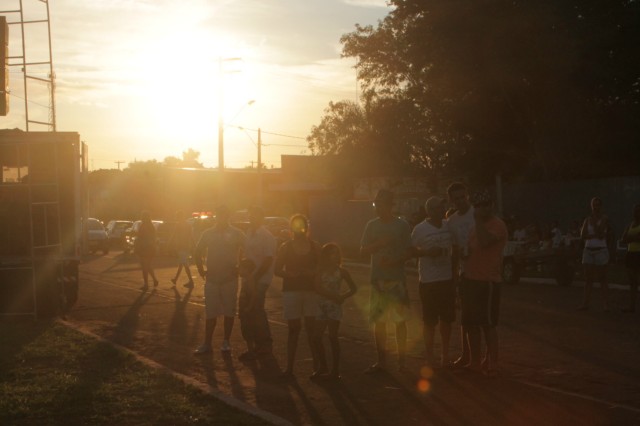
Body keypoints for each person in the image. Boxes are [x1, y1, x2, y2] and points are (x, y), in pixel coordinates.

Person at [360, 189, 412, 373]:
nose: (378, 208)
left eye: (381, 204)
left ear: (390, 205)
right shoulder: (371, 225)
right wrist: (378, 244)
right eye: (376, 204)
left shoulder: (402, 225)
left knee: (400, 321)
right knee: (379, 322)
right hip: (378, 280)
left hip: (397, 280)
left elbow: (410, 251)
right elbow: (363, 250)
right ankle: (381, 361)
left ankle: (402, 361)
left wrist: (395, 261)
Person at [461, 189, 508, 377]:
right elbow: (471, 249)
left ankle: (493, 363)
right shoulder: (474, 227)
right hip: (470, 280)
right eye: (479, 205)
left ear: (492, 205)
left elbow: (485, 242)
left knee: (488, 324)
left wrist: (478, 220)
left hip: (487, 281)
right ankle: (475, 362)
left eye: (486, 204)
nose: (484, 208)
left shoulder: (498, 225)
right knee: (471, 324)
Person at [193, 205, 246, 355]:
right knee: (211, 313)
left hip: (230, 279)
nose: (222, 218)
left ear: (228, 216)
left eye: (224, 215)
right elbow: (197, 251)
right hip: (212, 279)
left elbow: (248, 250)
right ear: (216, 216)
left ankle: (226, 341)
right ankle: (207, 343)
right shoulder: (208, 233)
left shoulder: (237, 233)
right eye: (219, 215)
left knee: (229, 312)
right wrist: (200, 270)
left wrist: (240, 267)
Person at [274, 214, 321, 378]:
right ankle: (289, 367)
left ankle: (317, 366)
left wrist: (312, 272)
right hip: (292, 291)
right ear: (291, 229)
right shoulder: (286, 247)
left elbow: (322, 269)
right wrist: (289, 274)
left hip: (310, 291)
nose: (299, 229)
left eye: (302, 226)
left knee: (311, 330)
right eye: (296, 226)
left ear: (306, 228)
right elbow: (277, 269)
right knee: (293, 330)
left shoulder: (315, 247)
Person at [411, 196, 455, 368]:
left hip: (446, 278)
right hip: (429, 281)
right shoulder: (420, 229)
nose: (439, 211)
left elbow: (456, 248)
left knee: (447, 320)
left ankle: (445, 354)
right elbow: (411, 251)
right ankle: (429, 356)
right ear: (429, 211)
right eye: (435, 208)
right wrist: (428, 252)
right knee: (429, 321)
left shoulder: (448, 225)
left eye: (441, 207)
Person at [312, 243, 357, 380]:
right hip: (321, 306)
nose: (335, 255)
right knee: (317, 337)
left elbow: (353, 288)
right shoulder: (320, 270)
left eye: (336, 253)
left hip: (334, 307)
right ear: (326, 255)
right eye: (332, 253)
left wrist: (342, 297)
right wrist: (334, 296)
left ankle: (335, 370)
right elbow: (317, 288)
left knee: (332, 337)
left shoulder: (342, 271)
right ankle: (323, 366)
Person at [238, 206, 278, 361]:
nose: (252, 218)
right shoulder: (248, 233)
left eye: (255, 216)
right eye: (251, 215)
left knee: (257, 310)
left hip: (261, 279)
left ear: (261, 218)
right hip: (248, 278)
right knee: (247, 312)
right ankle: (254, 346)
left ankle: (265, 345)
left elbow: (268, 259)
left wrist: (255, 277)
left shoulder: (266, 236)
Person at [446, 182, 474, 369]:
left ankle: (486, 357)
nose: (460, 201)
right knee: (466, 317)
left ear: (467, 196)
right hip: (465, 273)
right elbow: (454, 252)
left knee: (483, 320)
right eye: (456, 199)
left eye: (462, 197)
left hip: (483, 270)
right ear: (452, 201)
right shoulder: (452, 221)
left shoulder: (478, 214)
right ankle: (466, 354)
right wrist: (454, 277)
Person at [578, 197, 611, 312]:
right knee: (588, 279)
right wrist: (592, 233)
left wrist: (594, 225)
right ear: (591, 206)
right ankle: (585, 303)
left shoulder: (604, 218)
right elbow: (582, 235)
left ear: (600, 206)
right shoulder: (587, 219)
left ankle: (606, 305)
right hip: (588, 250)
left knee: (602, 278)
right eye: (594, 205)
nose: (596, 207)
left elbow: (601, 235)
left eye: (598, 205)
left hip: (601, 250)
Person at [620, 203, 640, 313]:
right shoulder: (630, 225)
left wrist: (630, 237)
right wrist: (633, 237)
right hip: (631, 254)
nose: (636, 213)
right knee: (632, 282)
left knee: (636, 280)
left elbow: (630, 238)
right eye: (635, 211)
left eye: (638, 211)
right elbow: (623, 239)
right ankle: (632, 306)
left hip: (639, 253)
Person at [169, 210, 195, 288]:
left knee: (184, 264)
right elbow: (191, 236)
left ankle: (191, 281)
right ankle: (175, 279)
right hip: (186, 246)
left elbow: (173, 235)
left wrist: (170, 243)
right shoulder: (188, 225)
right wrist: (194, 245)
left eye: (177, 217)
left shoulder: (179, 225)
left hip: (181, 247)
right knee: (182, 263)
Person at [135, 211, 159, 290]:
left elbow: (141, 237)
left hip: (146, 248)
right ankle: (154, 280)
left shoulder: (145, 226)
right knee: (147, 266)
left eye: (142, 217)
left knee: (145, 267)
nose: (141, 218)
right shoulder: (150, 226)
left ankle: (146, 284)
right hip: (150, 248)